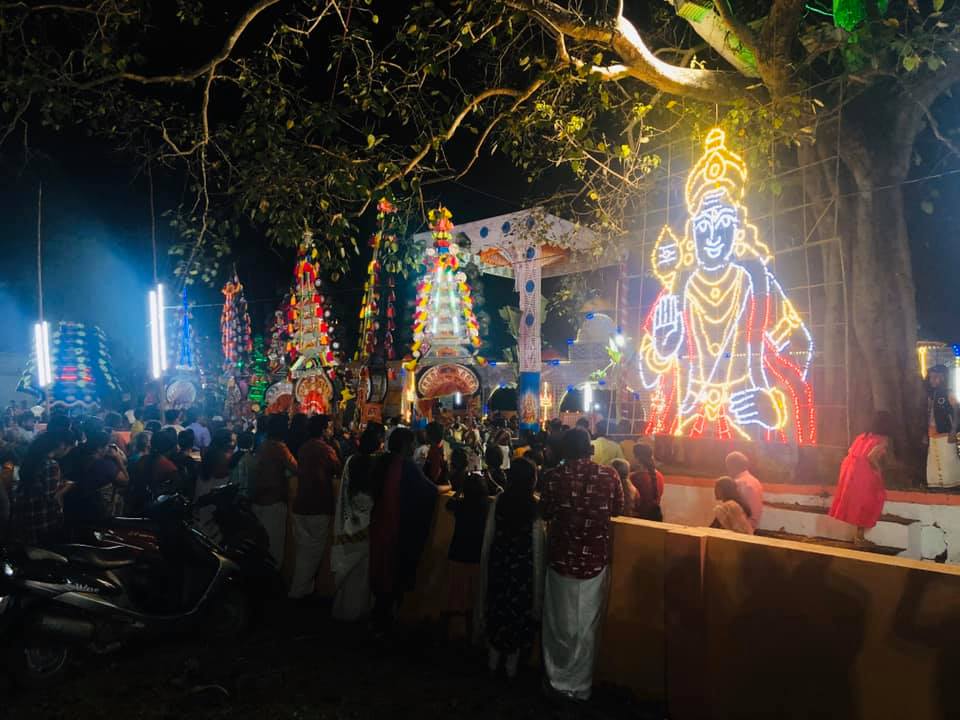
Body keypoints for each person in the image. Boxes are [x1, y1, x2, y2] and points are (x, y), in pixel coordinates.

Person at [540, 428, 624, 701]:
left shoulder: (554, 477)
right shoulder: (609, 475)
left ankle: (556, 680)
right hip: (594, 562)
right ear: (589, 448)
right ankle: (580, 686)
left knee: (558, 624)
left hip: (560, 560)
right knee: (587, 627)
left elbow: (546, 512)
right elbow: (617, 510)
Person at [479, 457, 546, 679]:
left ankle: (492, 660)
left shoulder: (500, 501)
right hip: (522, 572)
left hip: (499, 565)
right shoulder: (534, 507)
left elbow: (489, 537)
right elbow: (538, 547)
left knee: (497, 608)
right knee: (517, 615)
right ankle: (511, 667)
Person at [368, 427, 437, 636]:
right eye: (412, 444)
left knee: (380, 571)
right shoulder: (405, 466)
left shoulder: (381, 462)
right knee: (394, 574)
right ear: (406, 446)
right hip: (397, 527)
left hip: (379, 523)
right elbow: (429, 491)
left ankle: (378, 620)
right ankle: (386, 623)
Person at [331, 423, 384, 621]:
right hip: (368, 522)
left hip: (350, 521)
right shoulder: (377, 465)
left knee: (350, 573)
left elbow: (346, 489)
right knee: (362, 573)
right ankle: (359, 612)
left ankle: (344, 611)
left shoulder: (351, 461)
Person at [289, 415, 341, 600]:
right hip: (318, 506)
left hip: (300, 505)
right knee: (312, 554)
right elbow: (337, 468)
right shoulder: (326, 449)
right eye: (328, 427)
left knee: (304, 552)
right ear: (322, 430)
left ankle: (305, 590)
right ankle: (298, 592)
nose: (330, 430)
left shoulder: (304, 448)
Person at [829, 411, 893, 543]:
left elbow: (850, 451)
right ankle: (859, 536)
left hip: (849, 468)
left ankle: (858, 536)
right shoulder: (882, 439)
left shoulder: (863, 436)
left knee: (857, 500)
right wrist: (877, 469)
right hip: (863, 470)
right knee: (869, 501)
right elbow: (871, 456)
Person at [443, 471, 490, 642]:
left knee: (456, 596)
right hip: (477, 557)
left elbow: (448, 504)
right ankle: (473, 635)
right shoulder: (486, 507)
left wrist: (458, 490)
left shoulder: (461, 505)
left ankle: (454, 633)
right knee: (474, 598)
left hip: (457, 554)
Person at [9, 429, 75, 545]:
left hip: (24, 513)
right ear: (62, 445)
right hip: (41, 517)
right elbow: (52, 497)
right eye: (69, 448)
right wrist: (67, 487)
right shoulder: (51, 464)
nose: (68, 452)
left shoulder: (32, 458)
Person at [252, 414, 298, 565]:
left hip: (258, 500)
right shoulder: (279, 447)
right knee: (273, 548)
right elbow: (296, 468)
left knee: (260, 545)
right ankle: (270, 584)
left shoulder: (263, 444)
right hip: (273, 502)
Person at [64, 429, 128, 532]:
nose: (109, 449)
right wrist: (118, 458)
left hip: (73, 506)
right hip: (96, 510)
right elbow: (125, 481)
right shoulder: (105, 465)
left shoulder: (76, 455)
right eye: (107, 446)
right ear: (99, 448)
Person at [127, 428, 180, 515]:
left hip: (138, 503)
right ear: (170, 447)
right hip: (157, 509)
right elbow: (174, 490)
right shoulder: (168, 466)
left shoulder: (143, 459)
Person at [924, 365, 960, 488]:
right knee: (934, 460)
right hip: (932, 432)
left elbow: (957, 411)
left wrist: (953, 431)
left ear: (943, 378)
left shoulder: (948, 393)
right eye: (931, 378)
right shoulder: (931, 394)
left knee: (948, 459)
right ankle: (937, 484)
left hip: (945, 432)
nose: (932, 380)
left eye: (935, 377)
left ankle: (951, 484)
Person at [726, 451, 763, 530]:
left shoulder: (738, 483)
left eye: (728, 466)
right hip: (753, 527)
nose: (727, 470)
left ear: (733, 466)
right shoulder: (755, 481)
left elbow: (733, 513)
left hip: (742, 529)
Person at [628, 444, 665, 521]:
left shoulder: (635, 478)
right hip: (655, 518)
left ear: (637, 459)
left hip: (638, 520)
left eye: (632, 456)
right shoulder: (660, 476)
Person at [172, 429, 201, 499]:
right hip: (191, 490)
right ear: (193, 442)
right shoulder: (196, 455)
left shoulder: (174, 456)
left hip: (178, 491)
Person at [229, 431, 256, 498]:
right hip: (245, 495)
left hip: (233, 493)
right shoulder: (251, 458)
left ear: (238, 443)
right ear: (251, 445)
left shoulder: (233, 456)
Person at [423, 421, 449, 486]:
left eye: (425, 433)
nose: (424, 435)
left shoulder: (435, 452)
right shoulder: (442, 447)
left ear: (431, 436)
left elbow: (433, 477)